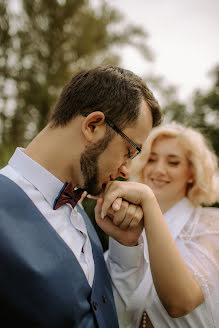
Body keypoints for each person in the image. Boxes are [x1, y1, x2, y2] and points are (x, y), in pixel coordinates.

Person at [0, 66, 162, 327]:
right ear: (93, 126)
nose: (126, 170)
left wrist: (125, 245)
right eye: (129, 151)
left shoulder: (81, 215)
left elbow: (101, 314)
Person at [125, 122, 219, 328]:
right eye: (151, 159)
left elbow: (180, 303)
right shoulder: (129, 230)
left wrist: (147, 201)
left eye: (173, 162)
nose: (158, 170)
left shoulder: (213, 224)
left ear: (193, 172)